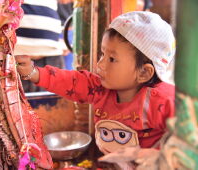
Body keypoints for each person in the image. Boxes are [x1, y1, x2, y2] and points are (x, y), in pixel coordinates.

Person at [15, 11, 176, 150]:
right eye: (102, 54)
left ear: (144, 72)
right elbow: (72, 82)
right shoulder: (99, 88)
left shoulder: (164, 101)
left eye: (112, 59)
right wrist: (33, 72)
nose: (100, 64)